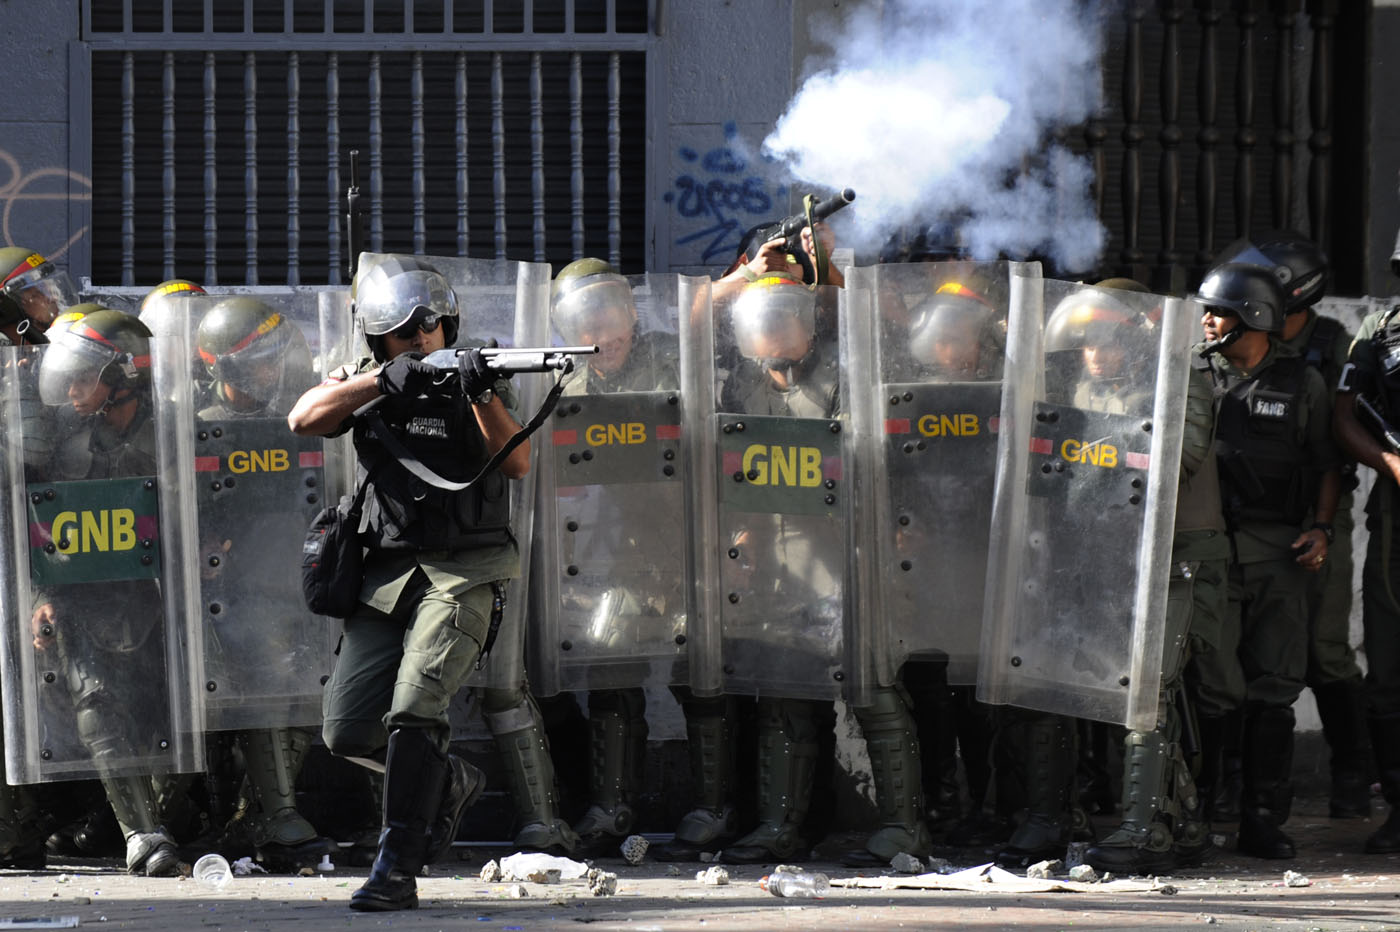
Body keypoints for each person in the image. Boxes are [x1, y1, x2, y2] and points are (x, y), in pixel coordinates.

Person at [287, 254, 527, 911]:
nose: (421, 337)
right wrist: (378, 384)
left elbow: (520, 461)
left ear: (450, 325)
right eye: (403, 331)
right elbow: (304, 418)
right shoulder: (368, 379)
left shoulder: (484, 373)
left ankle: (396, 866)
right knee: (345, 731)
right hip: (387, 576)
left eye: (432, 325)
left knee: (416, 707)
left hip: (464, 572)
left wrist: (479, 392)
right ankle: (445, 780)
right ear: (379, 340)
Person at [703, 273, 929, 866]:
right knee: (783, 694)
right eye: (762, 320)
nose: (773, 331)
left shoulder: (845, 379)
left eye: (786, 318)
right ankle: (781, 825)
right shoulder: (742, 386)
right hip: (777, 566)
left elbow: (877, 465)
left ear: (811, 325)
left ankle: (905, 826)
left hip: (846, 560)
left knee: (872, 691)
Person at [1192, 262, 1340, 859]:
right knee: (1212, 685)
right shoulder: (1192, 377)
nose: (1206, 319)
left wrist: (1322, 529)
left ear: (1252, 316)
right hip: (1209, 551)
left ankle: (1261, 819)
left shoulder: (1302, 384)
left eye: (1218, 310)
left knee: (1275, 686)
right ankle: (1199, 812)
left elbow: (1327, 464)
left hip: (1278, 552)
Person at [30, 309, 183, 876]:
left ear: (123, 375)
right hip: (89, 599)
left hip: (170, 598)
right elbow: (39, 528)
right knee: (95, 703)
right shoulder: (68, 447)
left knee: (174, 715)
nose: (69, 390)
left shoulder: (172, 430)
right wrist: (41, 595)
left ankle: (173, 818)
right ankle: (143, 834)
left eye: (81, 378)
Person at [1081, 280, 1223, 873]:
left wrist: (1091, 453)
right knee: (1129, 690)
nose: (1096, 353)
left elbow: (1179, 458)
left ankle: (1145, 832)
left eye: (1108, 340)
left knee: (1151, 689)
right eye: (1086, 341)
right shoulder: (1086, 387)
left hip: (1178, 555)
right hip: (1112, 553)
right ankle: (1182, 821)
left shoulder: (1177, 377)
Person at [191, 296, 333, 871]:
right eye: (257, 364)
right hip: (236, 595)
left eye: (275, 359)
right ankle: (275, 817)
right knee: (268, 679)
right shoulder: (201, 430)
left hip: (308, 580)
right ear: (221, 369)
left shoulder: (305, 409)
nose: (272, 374)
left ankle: (261, 812)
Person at [545, 259, 681, 855]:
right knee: (611, 669)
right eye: (584, 318)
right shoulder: (562, 383)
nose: (601, 329)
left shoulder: (676, 360)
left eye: (611, 311)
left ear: (632, 312)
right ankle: (610, 805)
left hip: (687, 542)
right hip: (606, 554)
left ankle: (736, 810)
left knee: (708, 686)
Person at [1232, 233, 1369, 820]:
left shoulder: (1331, 345)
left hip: (1318, 510)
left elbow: (1336, 437)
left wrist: (1322, 524)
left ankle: (1353, 775)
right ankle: (1239, 784)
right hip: (1253, 521)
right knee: (1248, 654)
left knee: (1324, 650)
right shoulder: (1238, 339)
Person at [1331, 262, 1400, 853]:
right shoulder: (1380, 332)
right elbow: (1345, 416)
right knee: (1389, 664)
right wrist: (1392, 463)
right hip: (1399, 513)